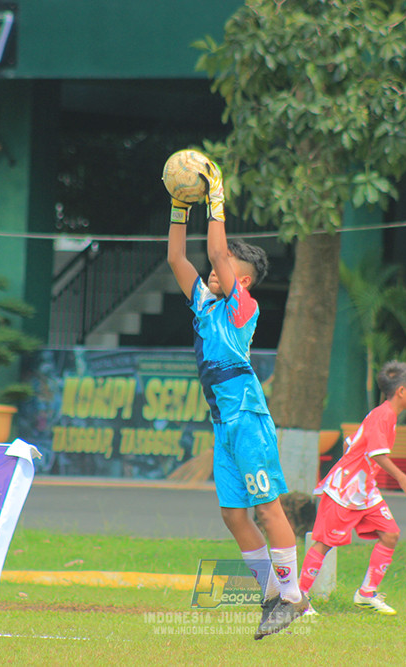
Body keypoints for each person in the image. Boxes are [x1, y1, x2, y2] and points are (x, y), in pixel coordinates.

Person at [166, 155, 309, 639]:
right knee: (232, 514)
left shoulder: (241, 307)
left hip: (247, 416)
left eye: (225, 268)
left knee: (269, 509)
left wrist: (216, 195)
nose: (212, 271)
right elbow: (176, 260)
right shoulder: (205, 305)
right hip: (224, 424)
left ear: (241, 281)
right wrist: (178, 207)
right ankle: (274, 595)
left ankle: (293, 596)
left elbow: (218, 255)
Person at [298, 361, 406, 614]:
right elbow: (377, 453)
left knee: (390, 533)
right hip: (344, 492)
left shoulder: (386, 416)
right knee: (323, 543)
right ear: (401, 391)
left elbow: (352, 443)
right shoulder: (383, 415)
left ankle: (366, 594)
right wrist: (402, 478)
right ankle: (297, 599)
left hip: (365, 492)